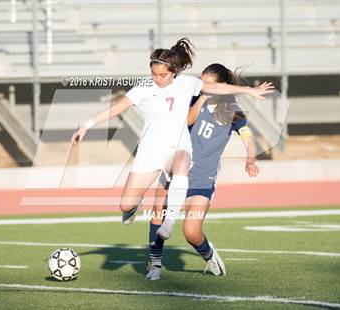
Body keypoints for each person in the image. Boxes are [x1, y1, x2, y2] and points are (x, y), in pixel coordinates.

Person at [71, 39, 271, 232]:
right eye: (153, 74)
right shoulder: (143, 88)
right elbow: (116, 109)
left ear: (173, 73)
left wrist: (249, 90)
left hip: (177, 148)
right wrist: (86, 126)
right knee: (125, 205)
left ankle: (168, 224)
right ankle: (135, 205)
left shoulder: (187, 83)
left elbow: (217, 87)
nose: (157, 79)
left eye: (162, 75)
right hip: (150, 151)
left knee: (182, 164)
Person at [146, 63, 261, 281]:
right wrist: (201, 99)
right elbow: (187, 121)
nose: (203, 87)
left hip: (203, 178)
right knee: (158, 213)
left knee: (191, 232)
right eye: (202, 82)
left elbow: (248, 139)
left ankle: (209, 255)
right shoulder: (192, 101)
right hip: (176, 168)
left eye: (209, 84)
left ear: (223, 87)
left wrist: (250, 160)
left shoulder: (233, 112)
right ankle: (155, 264)